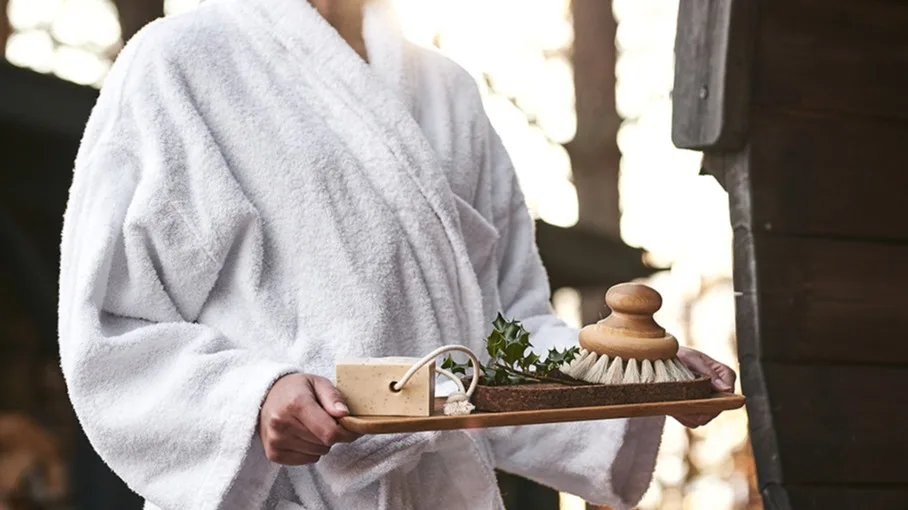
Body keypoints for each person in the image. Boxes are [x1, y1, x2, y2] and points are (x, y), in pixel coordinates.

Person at [57, 0, 737, 508]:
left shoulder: (446, 91)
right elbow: (113, 326)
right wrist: (252, 399)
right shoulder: (182, 62)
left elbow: (503, 343)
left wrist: (639, 378)